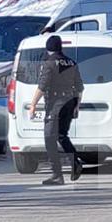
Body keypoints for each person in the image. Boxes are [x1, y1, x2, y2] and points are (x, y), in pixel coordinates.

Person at [28, 34, 84, 185]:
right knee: (62, 135)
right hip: (70, 102)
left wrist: (33, 104)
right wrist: (77, 105)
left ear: (48, 49)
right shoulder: (71, 62)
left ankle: (57, 174)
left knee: (49, 137)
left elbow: (42, 86)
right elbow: (79, 87)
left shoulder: (50, 63)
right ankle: (75, 162)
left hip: (56, 104)